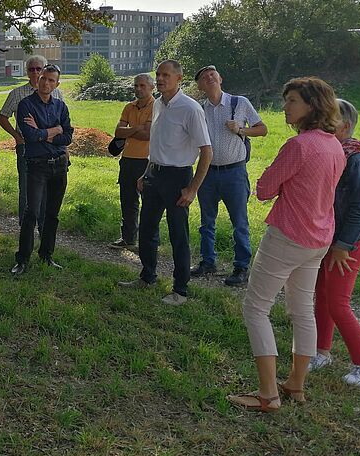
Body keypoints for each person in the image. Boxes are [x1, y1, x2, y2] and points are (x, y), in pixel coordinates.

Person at [228, 77, 345, 412]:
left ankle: (268, 394)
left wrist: (271, 178)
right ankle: (295, 383)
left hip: (289, 236)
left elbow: (264, 189)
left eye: (292, 100)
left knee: (256, 308)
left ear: (311, 105)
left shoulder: (300, 146)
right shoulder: (333, 144)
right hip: (319, 239)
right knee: (302, 310)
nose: (285, 106)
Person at [118, 60, 212, 306]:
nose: (160, 79)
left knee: (178, 234)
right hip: (153, 174)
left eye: (166, 75)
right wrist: (146, 172)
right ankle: (147, 276)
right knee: (147, 230)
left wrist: (192, 188)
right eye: (158, 74)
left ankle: (180, 290)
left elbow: (206, 151)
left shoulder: (190, 109)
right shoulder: (158, 104)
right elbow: (158, 143)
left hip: (178, 176)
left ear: (179, 78)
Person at [309, 99, 360, 388]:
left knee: (338, 302)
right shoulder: (332, 150)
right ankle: (321, 353)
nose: (321, 124)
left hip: (349, 241)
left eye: (329, 119)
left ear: (345, 126)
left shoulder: (358, 159)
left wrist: (344, 245)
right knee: (322, 296)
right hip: (328, 235)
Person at [190, 65, 267, 286]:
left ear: (220, 78)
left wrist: (241, 129)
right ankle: (208, 262)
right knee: (206, 222)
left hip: (234, 171)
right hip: (207, 172)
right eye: (205, 77)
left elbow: (262, 129)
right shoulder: (200, 109)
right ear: (200, 86)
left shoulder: (239, 103)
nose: (210, 77)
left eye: (213, 74)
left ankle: (242, 267)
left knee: (239, 222)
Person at [11, 65, 73, 275]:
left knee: (52, 215)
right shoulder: (26, 105)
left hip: (58, 165)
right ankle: (23, 259)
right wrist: (54, 130)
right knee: (32, 212)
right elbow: (29, 135)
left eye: (51, 80)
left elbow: (68, 137)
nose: (46, 83)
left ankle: (46, 255)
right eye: (43, 79)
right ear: (38, 79)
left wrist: (42, 132)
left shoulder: (61, 107)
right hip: (37, 166)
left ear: (57, 84)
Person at [0, 55, 65, 233]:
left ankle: (43, 229)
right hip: (27, 147)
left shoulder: (57, 94)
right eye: (31, 69)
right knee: (26, 188)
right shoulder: (18, 94)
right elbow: (3, 116)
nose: (35, 72)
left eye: (38, 69)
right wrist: (16, 136)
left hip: (53, 150)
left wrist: (63, 147)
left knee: (48, 191)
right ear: (27, 72)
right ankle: (26, 228)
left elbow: (64, 127)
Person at [110, 73, 155, 249]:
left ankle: (147, 242)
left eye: (142, 86)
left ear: (152, 88)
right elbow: (117, 132)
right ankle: (128, 238)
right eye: (136, 85)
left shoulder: (155, 107)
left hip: (147, 160)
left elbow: (148, 135)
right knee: (128, 202)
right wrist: (136, 128)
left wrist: (128, 130)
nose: (138, 89)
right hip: (127, 159)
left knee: (148, 203)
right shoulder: (129, 107)